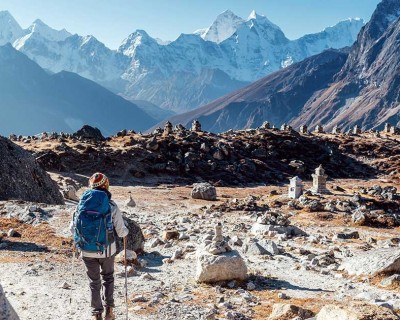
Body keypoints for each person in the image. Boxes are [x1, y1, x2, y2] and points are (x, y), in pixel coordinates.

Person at [71, 172, 129, 320]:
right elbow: (121, 231)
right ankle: (109, 311)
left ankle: (96, 313)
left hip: (86, 249)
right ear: (106, 185)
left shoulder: (81, 203)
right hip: (107, 250)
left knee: (94, 281)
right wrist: (125, 234)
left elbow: (73, 227)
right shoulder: (110, 204)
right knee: (108, 278)